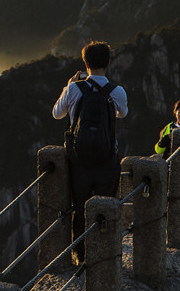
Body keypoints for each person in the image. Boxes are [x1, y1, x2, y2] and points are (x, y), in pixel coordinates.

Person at [52, 41, 128, 263]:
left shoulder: (74, 89)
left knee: (80, 208)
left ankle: (81, 255)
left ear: (85, 63)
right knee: (106, 205)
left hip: (79, 161)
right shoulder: (117, 91)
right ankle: (105, 254)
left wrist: (68, 86)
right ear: (107, 63)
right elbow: (122, 113)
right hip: (107, 159)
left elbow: (56, 113)